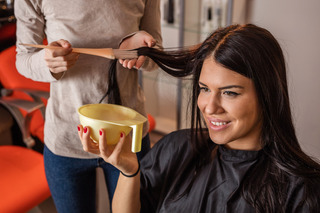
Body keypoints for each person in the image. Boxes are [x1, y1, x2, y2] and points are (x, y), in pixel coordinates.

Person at [78, 24, 320, 212]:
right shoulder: (177, 147)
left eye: (229, 92)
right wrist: (129, 170)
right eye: (204, 88)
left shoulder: (302, 190)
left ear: (267, 94)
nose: (209, 107)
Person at [14, 0, 162, 212]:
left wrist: (143, 52)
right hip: (66, 138)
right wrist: (47, 63)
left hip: (127, 138)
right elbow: (23, 58)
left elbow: (156, 55)